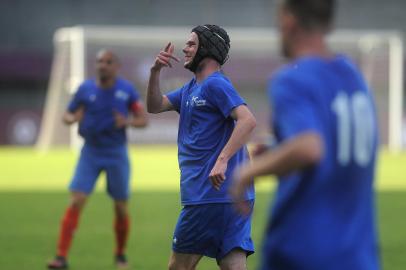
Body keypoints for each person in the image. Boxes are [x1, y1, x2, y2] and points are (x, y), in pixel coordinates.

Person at [230, 0, 380, 269]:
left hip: (304, 252)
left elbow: (310, 147)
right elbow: (330, 142)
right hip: (358, 256)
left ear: (288, 20)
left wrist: (247, 174)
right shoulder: (352, 76)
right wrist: (280, 148)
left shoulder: (292, 80)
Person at [146, 25, 257, 270]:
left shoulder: (214, 84)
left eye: (192, 44)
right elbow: (154, 105)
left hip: (208, 195)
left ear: (207, 49)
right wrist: (155, 72)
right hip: (235, 194)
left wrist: (222, 159)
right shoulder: (191, 88)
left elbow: (247, 120)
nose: (185, 48)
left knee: (179, 267)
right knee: (233, 263)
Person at [47, 50, 148, 269]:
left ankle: (120, 254)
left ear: (116, 67)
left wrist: (127, 122)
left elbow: (143, 120)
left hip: (116, 153)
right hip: (90, 152)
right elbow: (66, 115)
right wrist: (73, 118)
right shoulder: (85, 89)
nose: (102, 65)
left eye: (108, 62)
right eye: (99, 61)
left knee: (121, 207)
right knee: (76, 201)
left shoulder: (126, 90)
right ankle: (61, 257)